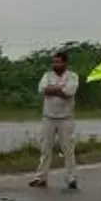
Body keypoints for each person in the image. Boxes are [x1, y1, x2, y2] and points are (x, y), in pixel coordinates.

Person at [30, 51, 80, 191]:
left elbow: (69, 93)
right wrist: (58, 88)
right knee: (45, 149)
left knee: (68, 149)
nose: (55, 64)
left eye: (58, 62)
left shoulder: (72, 76)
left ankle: (71, 177)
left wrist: (53, 89)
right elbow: (42, 89)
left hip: (66, 118)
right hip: (49, 117)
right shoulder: (47, 75)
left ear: (65, 63)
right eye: (54, 62)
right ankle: (41, 177)